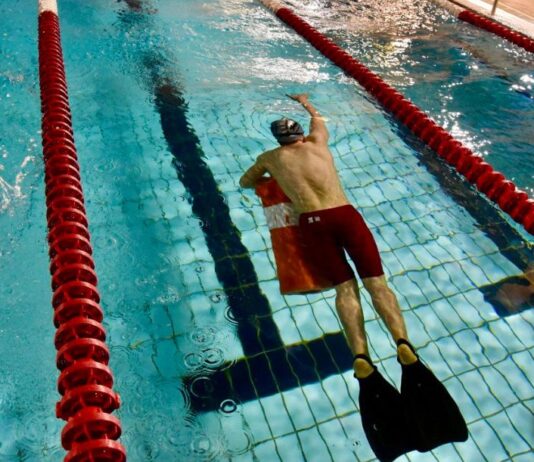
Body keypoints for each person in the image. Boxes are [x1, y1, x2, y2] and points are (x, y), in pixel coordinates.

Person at [240, 94, 468, 461]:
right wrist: (308, 105)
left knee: (346, 290)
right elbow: (319, 121)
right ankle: (402, 343)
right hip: (346, 215)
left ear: (277, 140)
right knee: (377, 284)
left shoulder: (271, 157)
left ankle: (360, 354)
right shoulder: (318, 143)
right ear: (300, 134)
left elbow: (246, 182)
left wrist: (275, 178)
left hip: (312, 224)